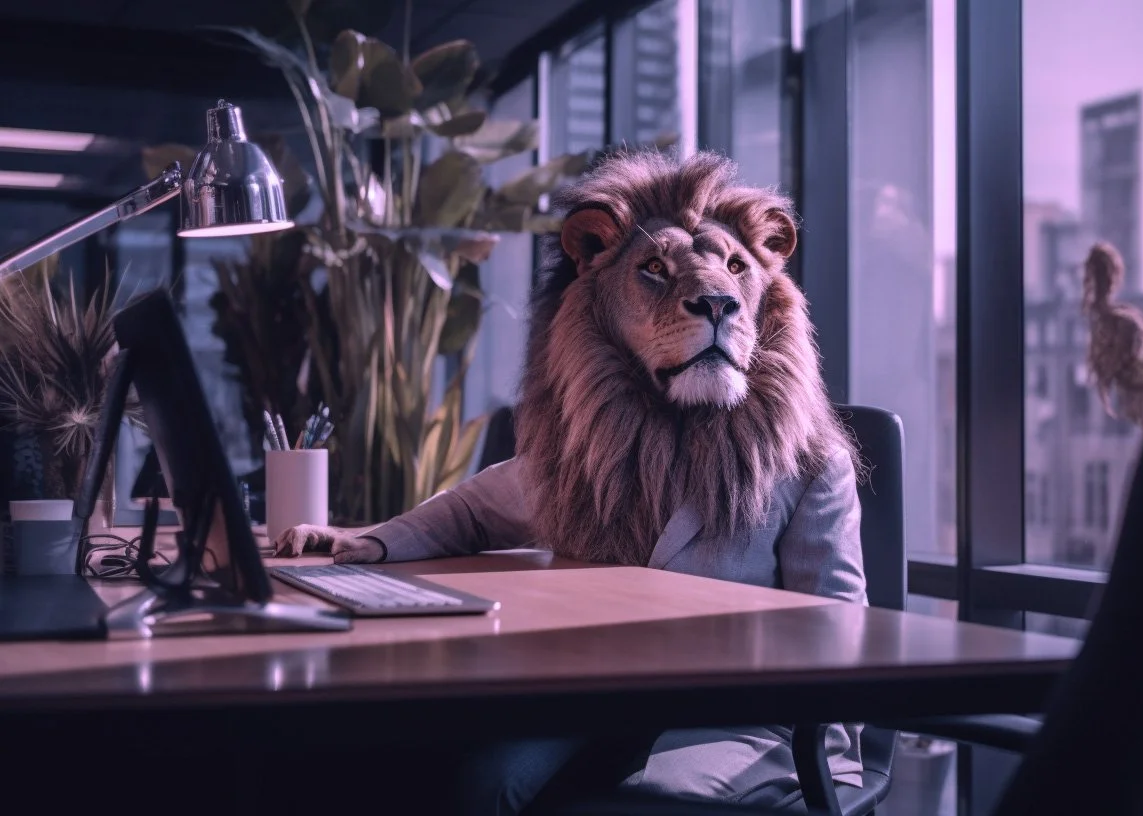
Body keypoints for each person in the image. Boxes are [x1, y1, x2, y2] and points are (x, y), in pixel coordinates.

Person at [275, 150, 865, 814]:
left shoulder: (813, 467)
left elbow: (839, 626)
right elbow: (475, 509)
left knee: (647, 805)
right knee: (477, 784)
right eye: (653, 271)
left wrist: (829, 772)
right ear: (596, 290)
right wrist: (367, 544)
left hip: (733, 716)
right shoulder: (582, 458)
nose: (712, 296)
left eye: (735, 268)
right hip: (596, 694)